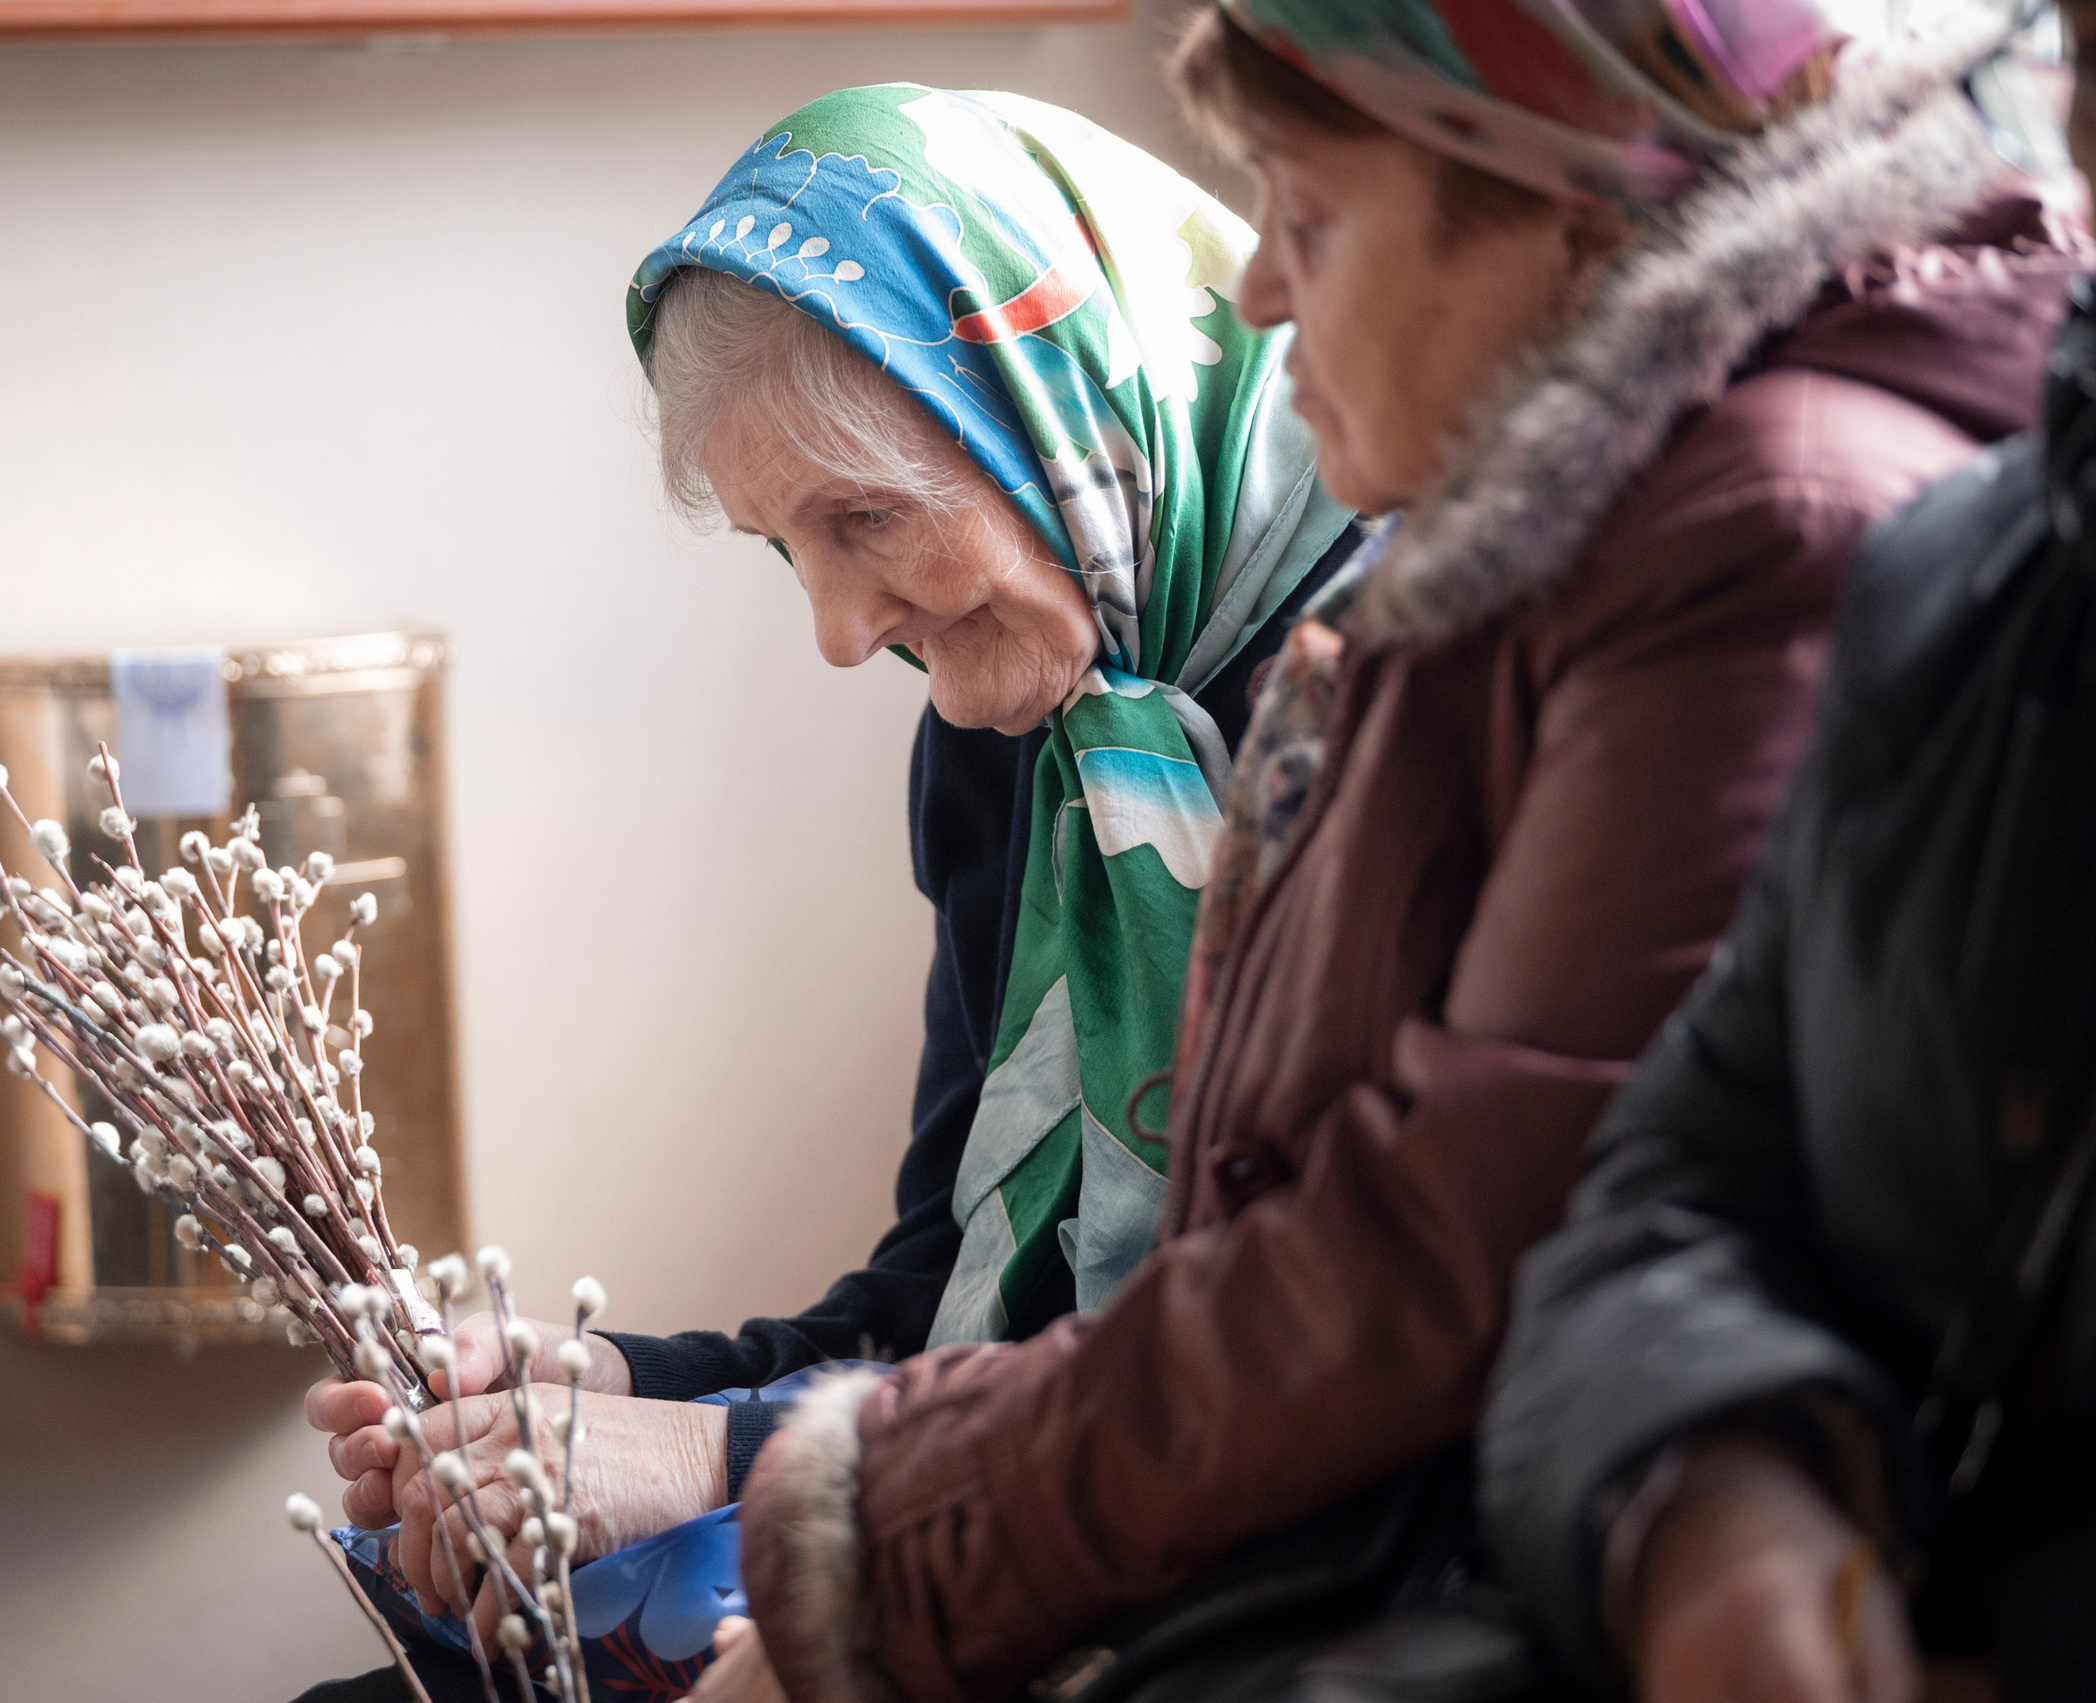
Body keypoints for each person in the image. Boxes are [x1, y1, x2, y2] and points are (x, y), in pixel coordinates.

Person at [689, 6, 2088, 1702]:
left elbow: (1445, 1236)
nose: (1258, 290)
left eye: (1313, 212)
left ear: (1566, 212)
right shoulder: (1509, 564)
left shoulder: (1738, 533)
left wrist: (863, 1560)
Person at [304, 82, 1361, 1642]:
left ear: (1064, 416)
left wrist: (725, 1451)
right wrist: (619, 1390)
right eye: (784, 547)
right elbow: (943, 1294)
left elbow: (1323, 1344)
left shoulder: (1402, 696)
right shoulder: (1012, 730)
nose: (840, 631)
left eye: (866, 519)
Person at [1479, 6, 2096, 1699]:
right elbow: (1678, 1180)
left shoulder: (1779, 518)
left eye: (1308, 216)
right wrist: (1715, 1499)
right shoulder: (1958, 587)